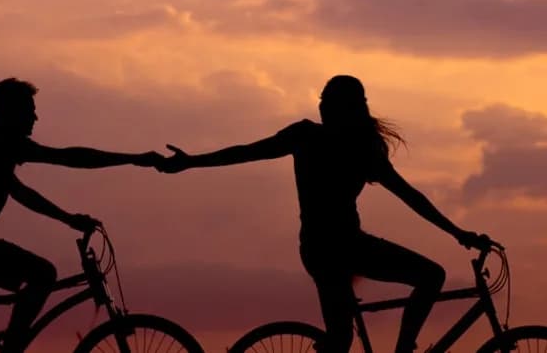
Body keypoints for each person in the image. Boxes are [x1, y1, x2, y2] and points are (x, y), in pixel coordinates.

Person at [157, 75, 493, 353]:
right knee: (429, 277)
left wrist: (456, 232)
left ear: (345, 108)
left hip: (328, 249)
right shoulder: (325, 140)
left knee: (342, 337)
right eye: (321, 98)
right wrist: (192, 162)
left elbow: (410, 196)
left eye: (327, 100)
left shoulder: (341, 144)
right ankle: (403, 350)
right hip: (339, 248)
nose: (320, 105)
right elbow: (247, 152)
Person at [0, 78, 162, 353]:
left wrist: (68, 218)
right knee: (41, 275)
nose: (35, 117)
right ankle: (13, 347)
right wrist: (133, 158)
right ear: (9, 112)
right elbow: (69, 158)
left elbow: (23, 193)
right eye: (29, 110)